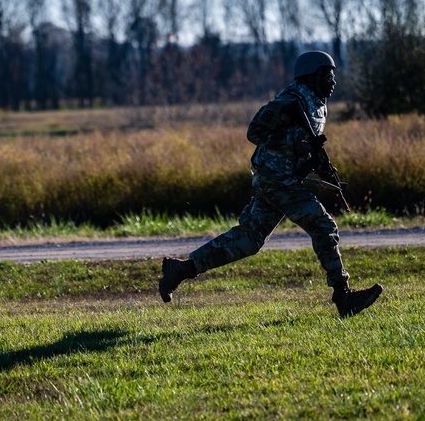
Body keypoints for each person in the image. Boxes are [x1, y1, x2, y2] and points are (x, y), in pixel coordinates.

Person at [159, 51, 383, 317]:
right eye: (328, 75)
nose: (333, 81)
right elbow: (254, 132)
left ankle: (182, 269)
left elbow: (308, 145)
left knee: (250, 239)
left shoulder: (317, 104)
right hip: (277, 180)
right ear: (312, 75)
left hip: (281, 180)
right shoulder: (291, 100)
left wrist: (323, 168)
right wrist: (293, 144)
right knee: (323, 225)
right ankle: (343, 296)